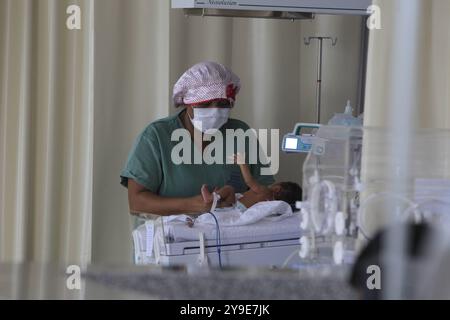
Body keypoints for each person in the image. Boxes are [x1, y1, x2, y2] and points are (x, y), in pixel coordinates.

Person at [121, 61, 274, 216]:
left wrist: (234, 203)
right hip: (173, 237)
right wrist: (191, 205)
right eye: (205, 104)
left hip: (232, 236)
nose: (214, 111)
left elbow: (267, 193)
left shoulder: (241, 133)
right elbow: (136, 202)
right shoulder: (156, 137)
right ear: (187, 103)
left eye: (222, 103)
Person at [200, 153, 302, 212]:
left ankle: (211, 198)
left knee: (229, 189)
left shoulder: (265, 191)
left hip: (235, 206)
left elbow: (249, 181)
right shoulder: (271, 204)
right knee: (224, 192)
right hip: (236, 207)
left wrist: (242, 164)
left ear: (277, 188)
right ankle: (216, 198)